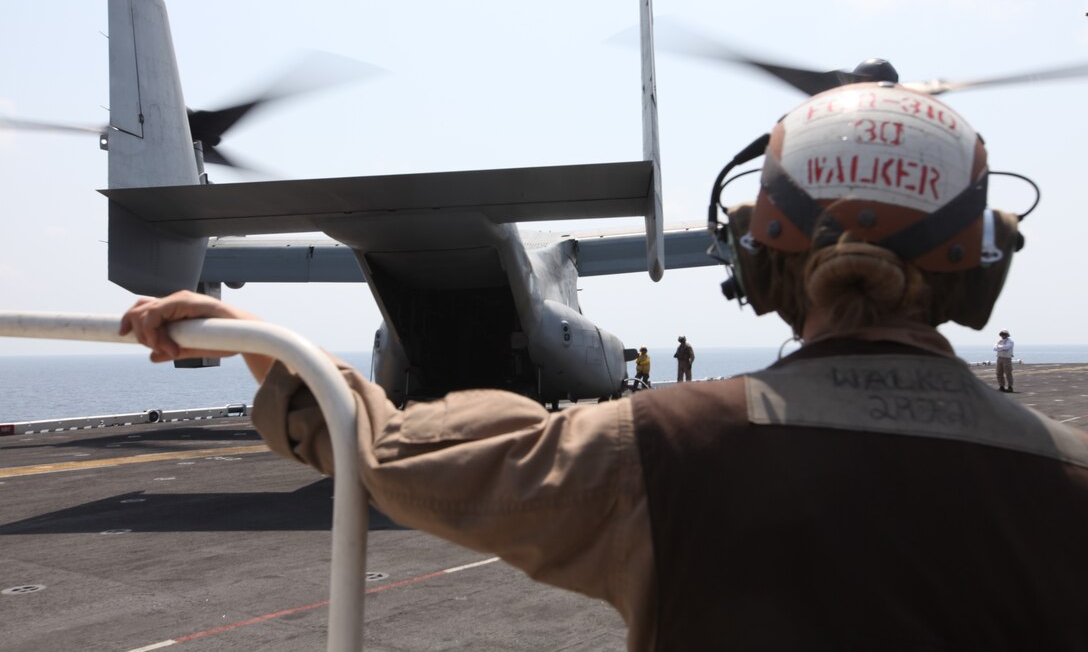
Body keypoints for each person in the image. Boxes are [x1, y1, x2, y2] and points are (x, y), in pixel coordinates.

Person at [121, 82, 1088, 650]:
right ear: (978, 270)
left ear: (759, 257)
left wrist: (256, 343)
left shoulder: (664, 452)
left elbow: (392, 448)